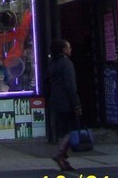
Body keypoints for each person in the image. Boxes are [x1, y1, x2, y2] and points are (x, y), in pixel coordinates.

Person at [45, 38, 81, 172]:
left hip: (55, 101)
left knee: (63, 129)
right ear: (64, 50)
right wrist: (76, 103)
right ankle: (60, 154)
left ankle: (63, 160)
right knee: (71, 129)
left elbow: (47, 84)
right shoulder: (66, 64)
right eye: (68, 47)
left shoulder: (52, 64)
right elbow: (71, 85)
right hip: (66, 101)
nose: (70, 49)